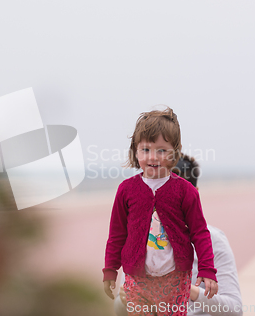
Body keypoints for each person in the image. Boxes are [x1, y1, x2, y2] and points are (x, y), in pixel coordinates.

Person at [103, 107, 218, 316]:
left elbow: (200, 232)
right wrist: (110, 269)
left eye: (161, 150)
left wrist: (207, 270)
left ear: (175, 151)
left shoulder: (186, 191)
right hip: (137, 278)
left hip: (175, 278)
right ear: (135, 151)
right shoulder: (126, 190)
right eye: (146, 150)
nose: (152, 157)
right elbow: (117, 233)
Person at [114, 155, 243, 316]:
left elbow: (235, 309)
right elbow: (118, 307)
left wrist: (188, 290)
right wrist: (127, 299)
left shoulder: (214, 240)